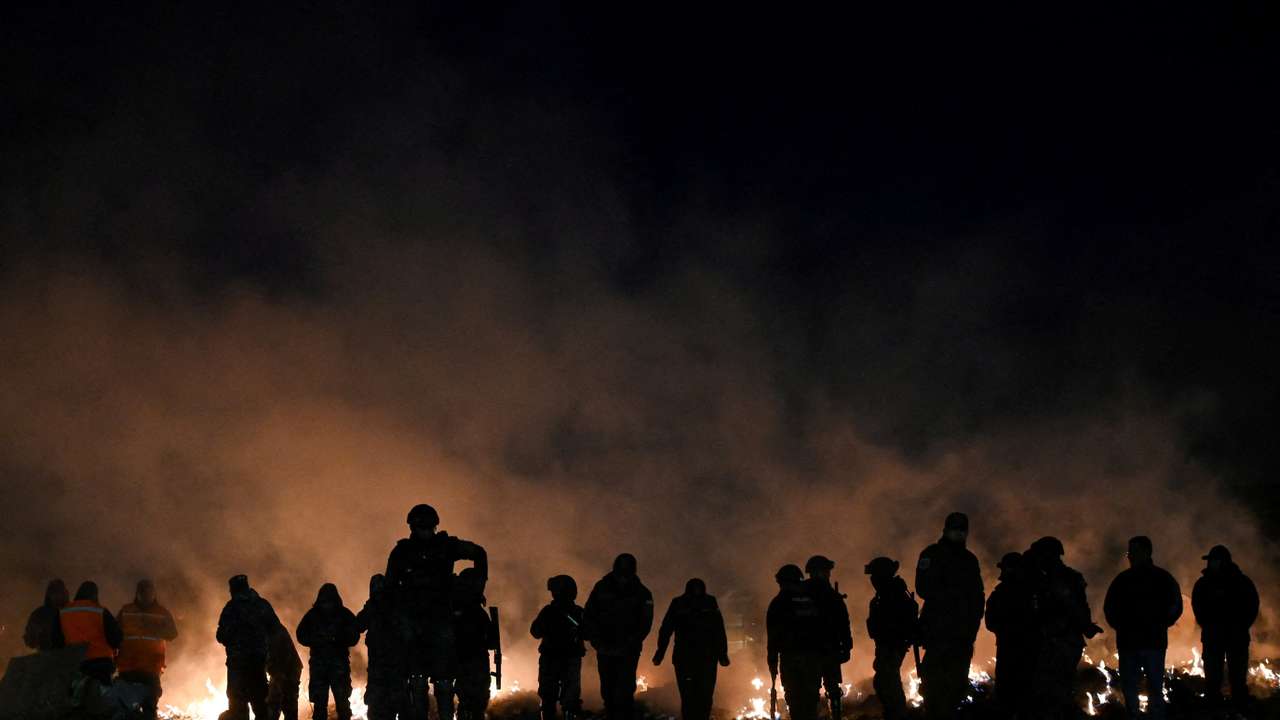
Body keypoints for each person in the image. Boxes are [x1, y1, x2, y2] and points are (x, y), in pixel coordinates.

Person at [385, 503, 487, 720]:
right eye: (422, 527)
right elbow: (390, 586)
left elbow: (479, 553)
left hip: (441, 619)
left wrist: (476, 588)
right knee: (417, 679)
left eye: (429, 527)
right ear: (412, 527)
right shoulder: (402, 551)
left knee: (443, 679)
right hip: (413, 621)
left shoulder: (447, 546)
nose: (426, 532)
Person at [1103, 536, 1182, 720]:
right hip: (1130, 643)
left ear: (1146, 552)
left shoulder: (1162, 578)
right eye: (1129, 552)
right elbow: (1110, 608)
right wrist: (1121, 627)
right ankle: (1134, 715)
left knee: (1154, 685)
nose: (1130, 556)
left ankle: (1156, 715)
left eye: (1133, 552)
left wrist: (1160, 623)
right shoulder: (1122, 580)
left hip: (1152, 642)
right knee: (1130, 685)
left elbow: (1175, 606)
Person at [915, 512, 984, 720]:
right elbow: (923, 588)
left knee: (957, 686)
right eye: (955, 529)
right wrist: (949, 593)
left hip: (961, 634)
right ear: (946, 530)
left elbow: (977, 597)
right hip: (937, 631)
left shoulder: (969, 560)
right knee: (932, 685)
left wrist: (971, 627)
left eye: (962, 530)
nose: (959, 534)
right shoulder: (931, 554)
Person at [1024, 537, 1102, 720]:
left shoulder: (1058, 580)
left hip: (1060, 642)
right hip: (1059, 641)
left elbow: (1076, 607)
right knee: (1053, 690)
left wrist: (1085, 626)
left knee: (1053, 691)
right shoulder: (1050, 579)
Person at [582, 553, 654, 720]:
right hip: (605, 648)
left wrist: (632, 642)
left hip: (628, 650)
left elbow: (645, 623)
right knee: (607, 690)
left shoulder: (642, 593)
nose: (623, 573)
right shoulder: (601, 588)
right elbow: (589, 614)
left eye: (627, 569)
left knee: (626, 691)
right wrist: (596, 641)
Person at [1191, 545, 1260, 712]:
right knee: (1213, 679)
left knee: (1237, 678)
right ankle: (1216, 710)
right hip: (1214, 637)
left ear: (1222, 562)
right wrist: (1207, 625)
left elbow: (1252, 606)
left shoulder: (1242, 582)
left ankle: (1239, 710)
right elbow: (1197, 606)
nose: (1210, 564)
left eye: (1213, 560)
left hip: (1235, 637)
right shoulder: (1203, 584)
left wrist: (1241, 626)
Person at [652, 578, 729, 720]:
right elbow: (666, 629)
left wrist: (723, 654)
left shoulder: (709, 602)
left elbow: (719, 629)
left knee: (705, 696)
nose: (697, 591)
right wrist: (660, 653)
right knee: (688, 697)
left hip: (705, 658)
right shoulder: (678, 603)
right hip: (687, 658)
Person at [217, 574, 282, 720]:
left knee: (240, 707)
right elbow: (275, 630)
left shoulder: (231, 608)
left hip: (239, 665)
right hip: (255, 664)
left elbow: (221, 636)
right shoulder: (261, 604)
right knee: (259, 705)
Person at [766, 564, 823, 720]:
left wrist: (772, 660)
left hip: (790, 658)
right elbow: (821, 629)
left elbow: (773, 636)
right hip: (812, 658)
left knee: (795, 700)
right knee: (811, 700)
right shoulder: (811, 601)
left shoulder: (778, 603)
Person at [117, 579, 180, 719]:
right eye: (143, 592)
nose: (146, 595)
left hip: (149, 668)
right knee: (127, 710)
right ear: (137, 593)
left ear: (154, 594)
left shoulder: (161, 612)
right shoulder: (126, 611)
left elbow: (173, 634)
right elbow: (115, 635)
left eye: (149, 592)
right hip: (129, 668)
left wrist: (156, 631)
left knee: (148, 709)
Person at [296, 583, 361, 720]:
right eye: (325, 602)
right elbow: (300, 635)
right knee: (321, 706)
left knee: (342, 704)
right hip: (322, 667)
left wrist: (337, 638)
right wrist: (317, 640)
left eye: (329, 601)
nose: (327, 606)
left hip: (337, 667)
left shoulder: (343, 614)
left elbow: (354, 636)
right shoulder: (314, 615)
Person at [864, 557, 917, 720]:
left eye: (874, 575)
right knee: (883, 681)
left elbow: (898, 623)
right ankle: (893, 713)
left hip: (892, 645)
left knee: (888, 682)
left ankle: (897, 714)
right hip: (886, 645)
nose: (872, 580)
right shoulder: (885, 595)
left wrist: (893, 641)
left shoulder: (893, 594)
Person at [984, 553, 1035, 719]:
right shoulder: (1031, 592)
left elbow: (991, 622)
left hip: (1016, 649)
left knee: (1011, 693)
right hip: (1021, 649)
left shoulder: (1024, 593)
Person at [531, 575, 585, 720]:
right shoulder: (578, 612)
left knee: (549, 699)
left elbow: (535, 632)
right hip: (568, 659)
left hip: (552, 659)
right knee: (569, 700)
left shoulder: (549, 612)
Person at [804, 556, 852, 720]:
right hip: (826, 650)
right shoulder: (830, 595)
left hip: (811, 650)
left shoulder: (802, 594)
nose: (828, 575)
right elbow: (843, 623)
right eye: (826, 572)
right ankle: (834, 716)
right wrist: (846, 647)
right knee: (831, 689)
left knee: (812, 691)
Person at [357, 573, 405, 720]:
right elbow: (358, 625)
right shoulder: (389, 606)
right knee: (385, 705)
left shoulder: (390, 607)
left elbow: (358, 625)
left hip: (388, 667)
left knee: (382, 706)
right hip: (386, 668)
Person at [451, 567, 496, 720]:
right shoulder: (476, 612)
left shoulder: (456, 608)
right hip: (473, 664)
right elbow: (491, 642)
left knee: (468, 703)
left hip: (463, 663)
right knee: (476, 705)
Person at [59, 580, 123, 685]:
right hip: (100, 664)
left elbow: (57, 638)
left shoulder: (64, 612)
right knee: (101, 697)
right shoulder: (100, 611)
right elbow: (116, 637)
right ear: (95, 595)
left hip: (74, 663)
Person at [266, 621, 303, 720]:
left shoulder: (271, 630)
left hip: (287, 669)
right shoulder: (268, 626)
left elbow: (279, 658)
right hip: (284, 668)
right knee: (284, 705)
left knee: (279, 704)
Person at [24, 579, 68, 651]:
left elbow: (30, 641)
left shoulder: (38, 614)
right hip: (68, 657)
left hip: (46, 658)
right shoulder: (70, 613)